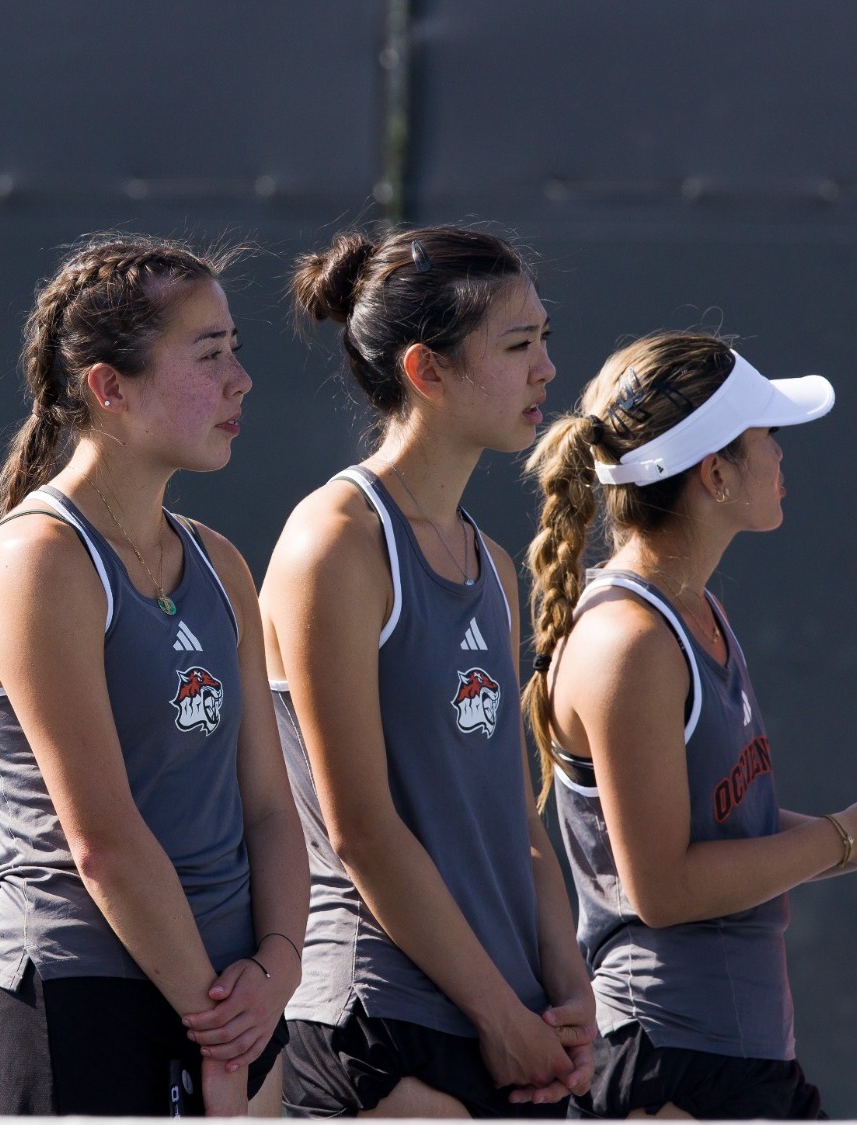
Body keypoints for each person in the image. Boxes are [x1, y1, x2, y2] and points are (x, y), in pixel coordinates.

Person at [525, 332, 857, 1118]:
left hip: (738, 1058)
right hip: (667, 1064)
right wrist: (849, 837)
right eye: (765, 437)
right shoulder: (629, 641)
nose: (781, 455)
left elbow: (725, 836)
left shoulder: (696, 612)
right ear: (714, 473)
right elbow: (664, 887)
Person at [0, 235, 308, 1117]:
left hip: (232, 1011)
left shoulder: (221, 563)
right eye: (210, 353)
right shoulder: (39, 557)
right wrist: (218, 1021)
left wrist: (276, 967)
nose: (241, 380)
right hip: (85, 1001)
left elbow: (270, 805)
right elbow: (102, 840)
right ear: (109, 388)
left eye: (236, 348)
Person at [262, 225, 592, 1118]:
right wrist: (499, 1012)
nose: (547, 370)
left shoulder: (492, 561)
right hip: (386, 1016)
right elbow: (360, 828)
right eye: (518, 345)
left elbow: (517, 820)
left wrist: (568, 992)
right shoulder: (336, 541)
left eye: (545, 340)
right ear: (426, 371)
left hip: (508, 1020)